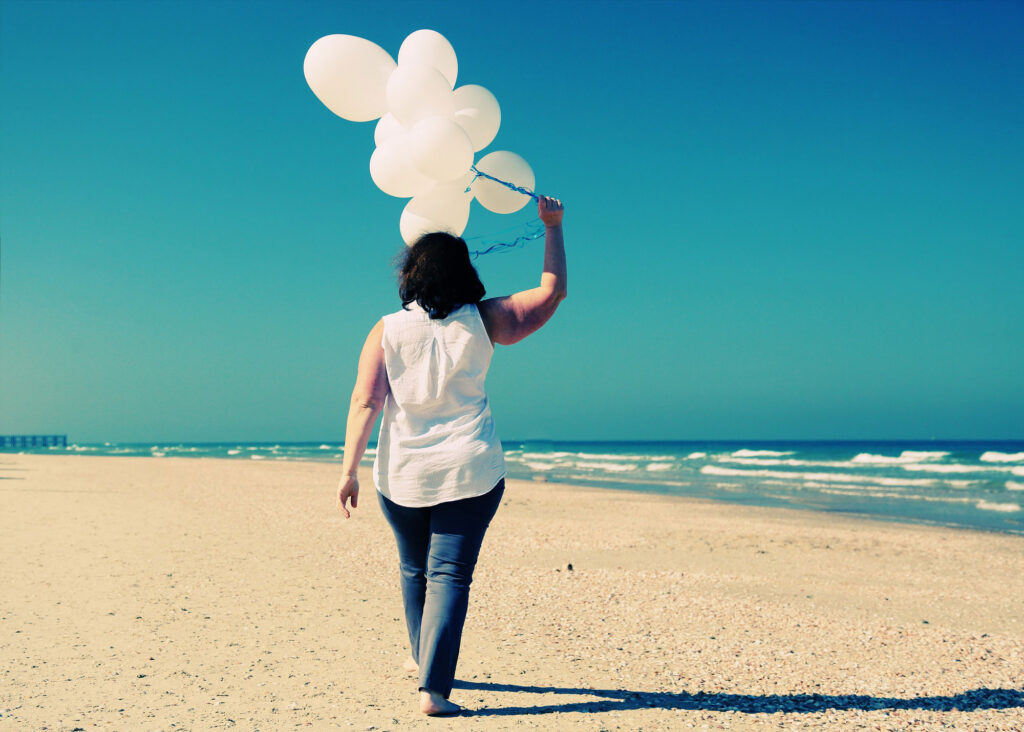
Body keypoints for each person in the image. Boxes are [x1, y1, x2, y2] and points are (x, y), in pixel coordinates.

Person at [336, 195, 566, 716]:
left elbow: (365, 400)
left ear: (411, 275)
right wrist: (552, 227)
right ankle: (433, 689)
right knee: (449, 575)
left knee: (415, 569)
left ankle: (428, 669)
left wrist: (348, 470)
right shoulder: (486, 319)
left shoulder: (387, 329)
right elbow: (553, 293)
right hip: (471, 468)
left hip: (402, 476)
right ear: (465, 272)